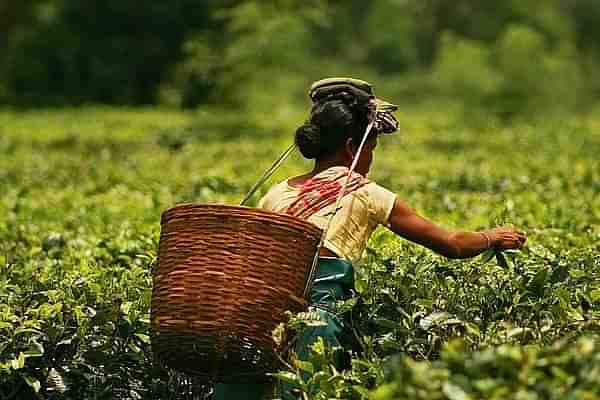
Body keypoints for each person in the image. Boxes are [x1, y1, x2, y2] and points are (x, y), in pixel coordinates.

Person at [214, 77, 527, 399]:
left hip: (259, 315)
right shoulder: (365, 193)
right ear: (352, 147)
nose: (371, 158)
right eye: (371, 149)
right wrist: (491, 236)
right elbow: (452, 244)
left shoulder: (278, 192)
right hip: (316, 318)